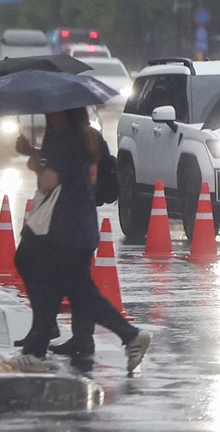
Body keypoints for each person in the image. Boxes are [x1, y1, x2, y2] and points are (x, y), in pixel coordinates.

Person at [13, 107, 150, 373]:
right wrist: (35, 154)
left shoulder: (66, 138)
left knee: (50, 282)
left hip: (63, 229)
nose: (49, 114)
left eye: (54, 111)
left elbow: (49, 181)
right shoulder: (87, 136)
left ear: (66, 113)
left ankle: (37, 351)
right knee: (79, 292)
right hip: (79, 227)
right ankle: (130, 336)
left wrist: (34, 162)